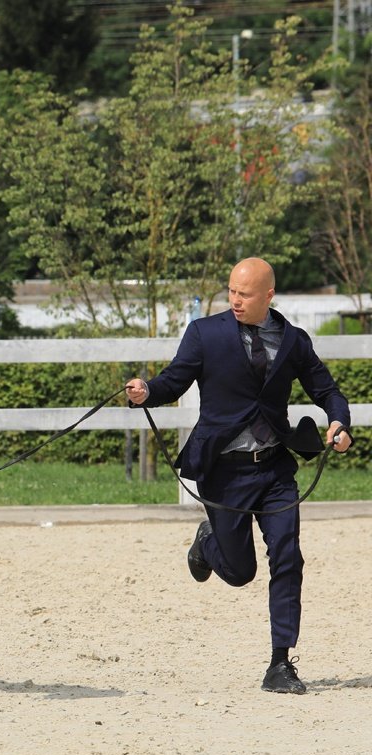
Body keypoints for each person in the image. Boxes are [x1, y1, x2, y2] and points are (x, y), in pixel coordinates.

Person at [125, 257, 353, 694]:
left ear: (268, 295)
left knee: (288, 556)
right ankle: (208, 541)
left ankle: (280, 664)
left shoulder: (293, 341)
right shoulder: (204, 334)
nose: (234, 300)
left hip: (274, 470)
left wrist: (339, 423)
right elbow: (174, 381)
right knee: (239, 571)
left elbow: (328, 391)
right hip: (224, 473)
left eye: (244, 294)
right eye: (231, 291)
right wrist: (147, 391)